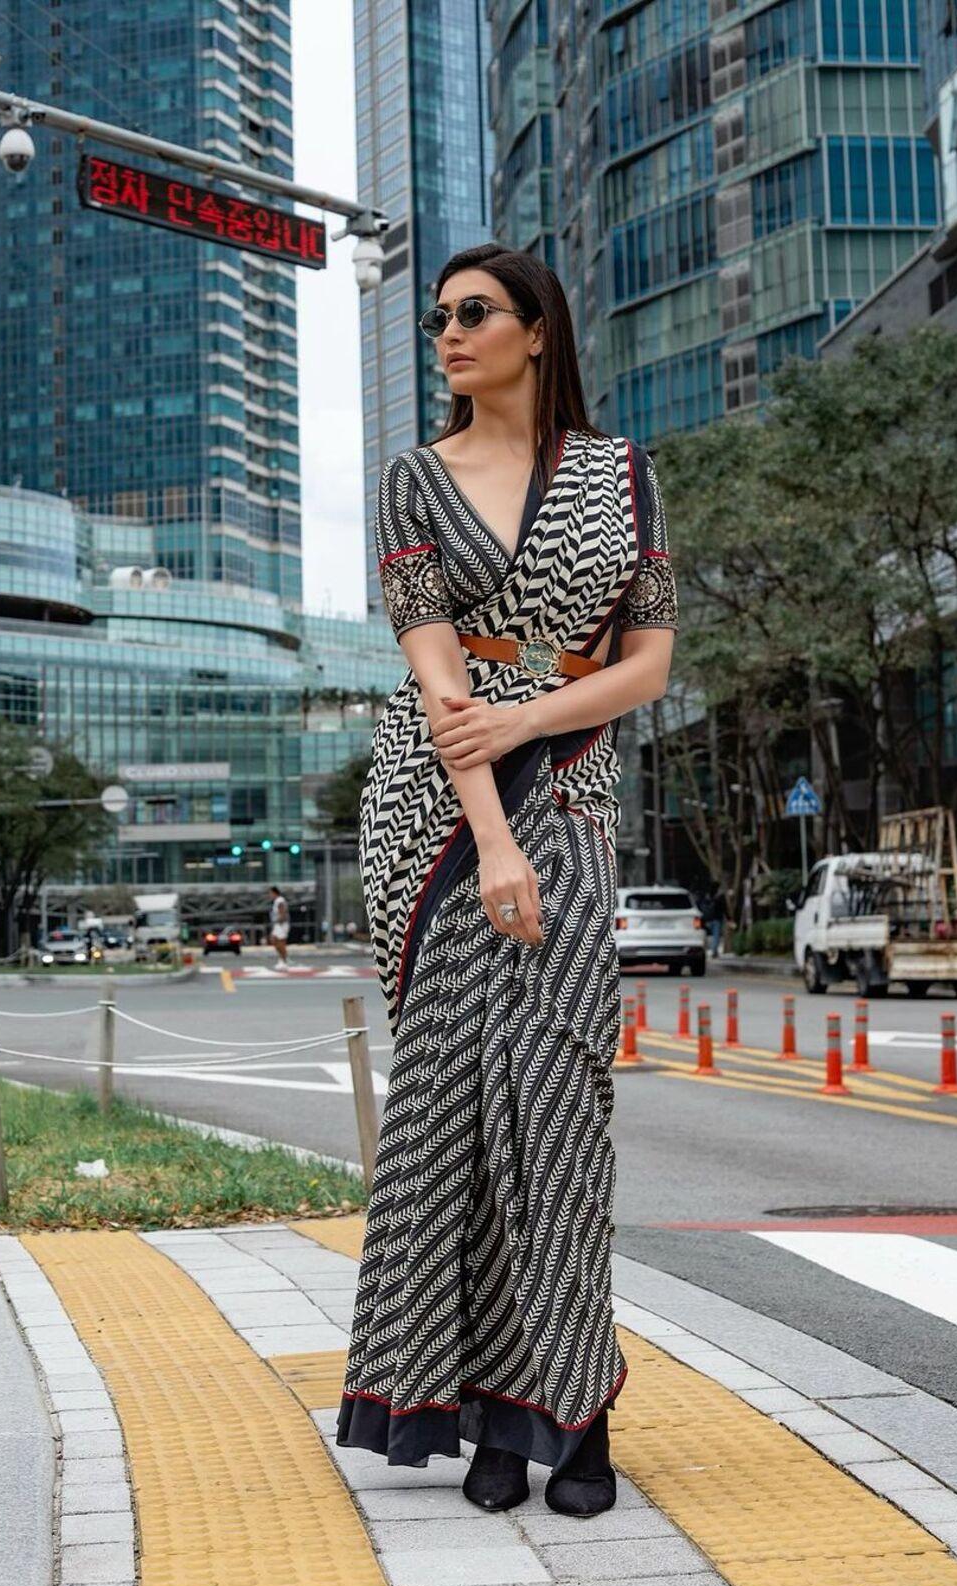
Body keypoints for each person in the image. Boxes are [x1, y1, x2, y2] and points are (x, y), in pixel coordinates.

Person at [337, 243, 678, 1518]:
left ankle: (574, 1407)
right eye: (436, 318)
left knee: (556, 1108)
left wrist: (532, 727)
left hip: (572, 791)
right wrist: (489, 837)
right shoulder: (409, 480)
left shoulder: (621, 475)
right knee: (455, 1126)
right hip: (432, 816)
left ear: (537, 330)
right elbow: (437, 676)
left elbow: (644, 665)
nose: (447, 334)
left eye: (472, 314)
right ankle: (489, 1416)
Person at [267, 886, 290, 970]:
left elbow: (283, 912)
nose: (269, 895)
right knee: (274, 940)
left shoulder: (280, 900)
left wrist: (279, 920)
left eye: (270, 893)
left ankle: (284, 961)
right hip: (277, 924)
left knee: (281, 942)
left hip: (281, 924)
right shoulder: (276, 901)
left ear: (274, 893)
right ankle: (281, 959)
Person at [705, 884, 727, 959]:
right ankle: (714, 951)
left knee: (710, 936)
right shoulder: (720, 897)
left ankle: (713, 950)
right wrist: (729, 918)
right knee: (716, 936)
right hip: (717, 919)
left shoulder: (707, 897)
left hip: (708, 919)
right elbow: (724, 908)